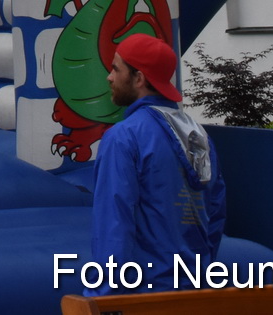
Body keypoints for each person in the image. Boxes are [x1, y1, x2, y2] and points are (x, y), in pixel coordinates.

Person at [87, 34, 226, 297]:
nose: (109, 77)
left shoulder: (123, 137)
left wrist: (101, 298)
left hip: (145, 294)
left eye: (116, 68)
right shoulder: (200, 137)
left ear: (138, 78)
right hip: (194, 293)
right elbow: (215, 217)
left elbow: (114, 223)